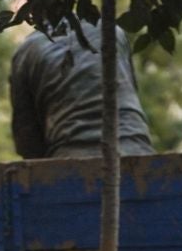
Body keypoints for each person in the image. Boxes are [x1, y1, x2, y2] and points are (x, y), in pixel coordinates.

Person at [9, 18, 156, 160]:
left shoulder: (27, 50)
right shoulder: (113, 31)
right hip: (138, 150)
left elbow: (28, 142)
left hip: (70, 159)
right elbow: (131, 94)